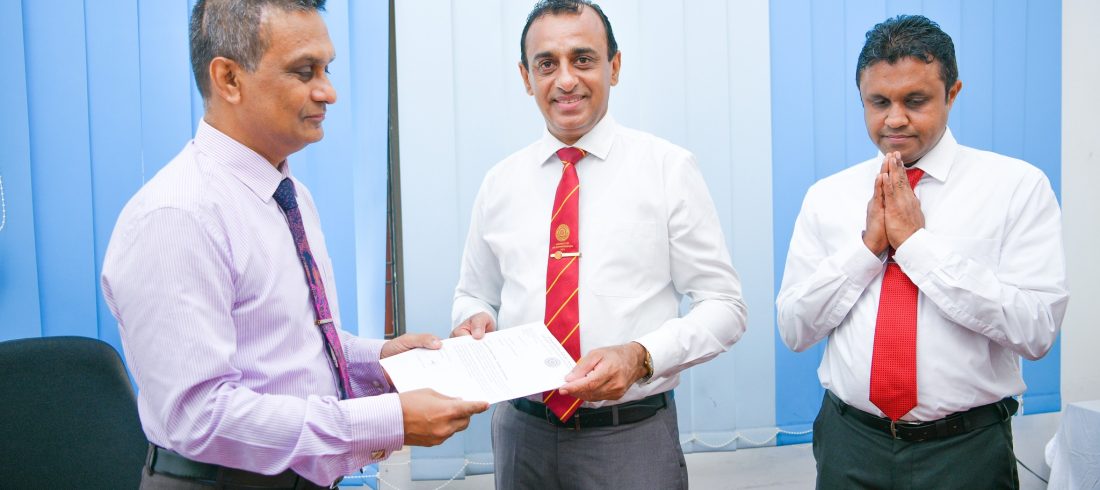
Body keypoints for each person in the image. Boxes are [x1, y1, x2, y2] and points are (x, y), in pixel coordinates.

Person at [101, 1, 487, 488]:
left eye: (327, 70)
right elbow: (200, 416)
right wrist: (386, 420)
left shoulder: (289, 194)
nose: (329, 92)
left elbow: (288, 347)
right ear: (229, 79)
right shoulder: (177, 216)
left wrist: (380, 359)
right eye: (305, 72)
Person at [450, 1, 748, 488]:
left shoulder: (667, 169)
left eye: (583, 59)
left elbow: (725, 307)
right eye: (547, 64)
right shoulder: (499, 182)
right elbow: (474, 293)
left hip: (629, 437)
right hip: (521, 433)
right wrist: (472, 318)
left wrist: (641, 356)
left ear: (615, 66)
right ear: (526, 77)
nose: (566, 80)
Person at [776, 14, 1068, 489]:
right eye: (879, 102)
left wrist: (916, 247)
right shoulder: (826, 196)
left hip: (967, 450)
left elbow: (1036, 331)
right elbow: (794, 329)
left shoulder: (1016, 187)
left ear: (952, 93)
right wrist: (867, 250)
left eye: (915, 100)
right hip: (850, 443)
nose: (895, 118)